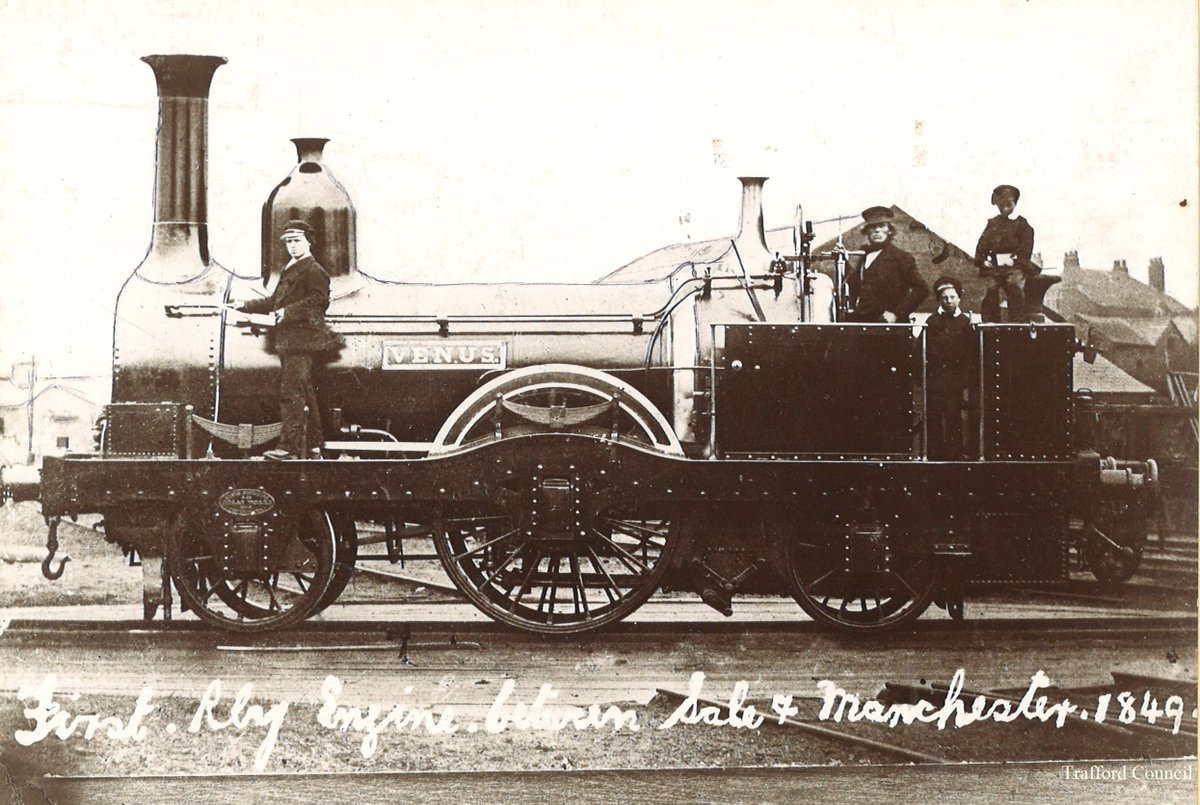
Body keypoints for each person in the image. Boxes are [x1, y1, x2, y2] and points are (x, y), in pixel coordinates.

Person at [235, 220, 340, 459]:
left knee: (290, 392)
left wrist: (287, 313)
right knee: (303, 392)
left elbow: (318, 302)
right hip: (289, 342)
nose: (292, 246)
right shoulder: (291, 268)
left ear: (309, 241)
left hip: (301, 342)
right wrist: (244, 305)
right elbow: (274, 301)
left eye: (297, 241)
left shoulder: (314, 270)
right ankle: (313, 446)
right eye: (289, 242)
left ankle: (289, 448)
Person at [846, 206, 929, 323]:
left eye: (881, 226)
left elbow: (922, 289)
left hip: (891, 328)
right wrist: (842, 260)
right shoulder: (864, 257)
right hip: (865, 325)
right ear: (867, 231)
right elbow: (855, 285)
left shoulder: (901, 257)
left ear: (889, 230)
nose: (877, 230)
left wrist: (896, 313)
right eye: (872, 227)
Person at [925, 276, 975, 459]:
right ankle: (934, 454)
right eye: (945, 298)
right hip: (935, 379)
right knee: (934, 417)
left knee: (954, 416)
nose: (949, 301)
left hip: (955, 381)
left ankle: (954, 453)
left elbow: (970, 354)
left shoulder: (965, 323)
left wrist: (964, 379)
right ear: (939, 300)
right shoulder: (931, 322)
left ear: (959, 298)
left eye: (953, 297)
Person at [974, 184, 1037, 323]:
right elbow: (982, 244)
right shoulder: (993, 224)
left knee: (1014, 286)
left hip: (1015, 266)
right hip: (994, 266)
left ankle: (1017, 322)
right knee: (990, 288)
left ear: (1014, 204)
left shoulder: (1023, 225)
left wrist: (1015, 260)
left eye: (1009, 204)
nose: (1005, 208)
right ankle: (990, 323)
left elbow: (1026, 247)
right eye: (1001, 205)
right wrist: (982, 260)